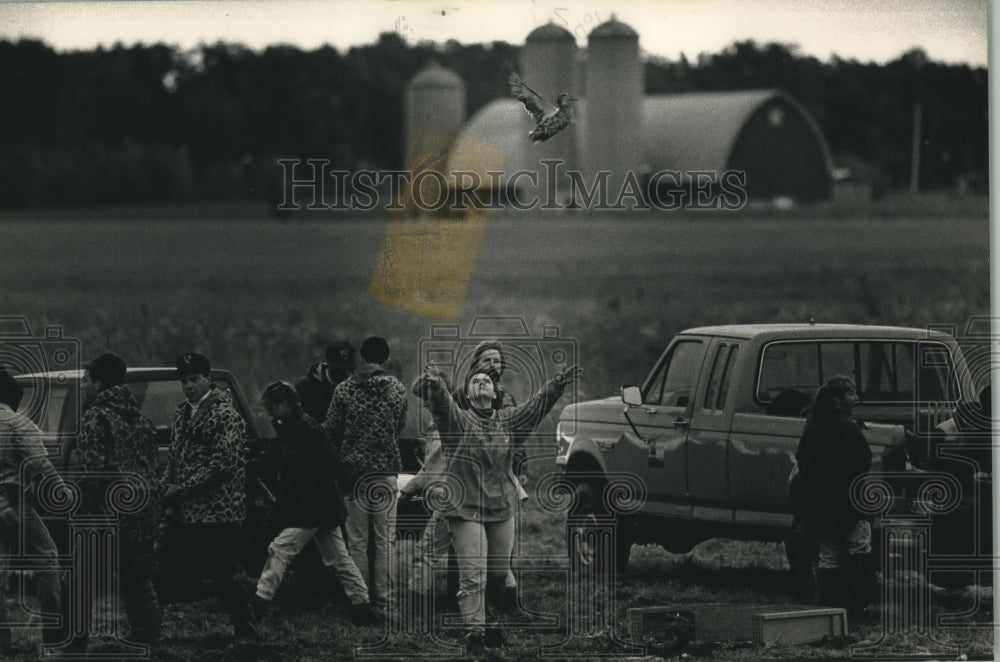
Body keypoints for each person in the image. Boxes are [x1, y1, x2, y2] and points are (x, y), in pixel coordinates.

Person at [413, 362, 581, 652]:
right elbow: (442, 407)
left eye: (486, 381)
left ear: (495, 393)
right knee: (473, 573)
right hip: (465, 507)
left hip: (501, 506)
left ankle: (492, 627)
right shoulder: (458, 421)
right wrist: (437, 384)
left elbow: (535, 408)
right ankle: (474, 634)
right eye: (475, 380)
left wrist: (556, 384)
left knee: (499, 574)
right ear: (467, 392)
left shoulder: (508, 421)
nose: (480, 382)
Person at [253, 381, 382, 625]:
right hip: (319, 505)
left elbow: (331, 464)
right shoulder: (295, 428)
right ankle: (362, 605)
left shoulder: (307, 430)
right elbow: (276, 456)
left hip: (310, 506)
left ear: (284, 404)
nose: (268, 411)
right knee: (339, 558)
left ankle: (259, 603)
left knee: (279, 549)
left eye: (271, 406)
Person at [156, 353, 258, 640]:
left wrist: (181, 489)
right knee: (163, 566)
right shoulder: (182, 414)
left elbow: (222, 464)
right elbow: (175, 459)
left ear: (208, 379)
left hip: (217, 512)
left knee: (224, 574)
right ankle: (147, 629)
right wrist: (166, 486)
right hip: (185, 510)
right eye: (184, 380)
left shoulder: (226, 415)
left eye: (195, 379)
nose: (189, 386)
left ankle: (246, 628)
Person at [68, 352, 162, 652]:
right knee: (137, 578)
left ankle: (74, 642)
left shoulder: (97, 418)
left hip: (104, 514)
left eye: (86, 381)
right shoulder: (143, 420)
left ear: (99, 384)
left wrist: (79, 504)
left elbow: (90, 471)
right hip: (142, 511)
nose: (83, 387)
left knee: (81, 580)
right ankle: (147, 634)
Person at [325, 336, 407, 613]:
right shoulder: (397, 389)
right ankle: (386, 600)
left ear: (361, 357)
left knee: (357, 542)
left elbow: (332, 430)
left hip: (354, 474)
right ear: (385, 359)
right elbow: (399, 427)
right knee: (384, 541)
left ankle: (359, 599)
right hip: (385, 472)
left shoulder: (345, 389)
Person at [791, 375, 875, 618]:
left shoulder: (814, 423)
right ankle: (858, 605)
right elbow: (863, 460)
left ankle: (829, 604)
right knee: (859, 545)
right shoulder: (847, 426)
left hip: (820, 501)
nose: (856, 398)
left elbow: (802, 457)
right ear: (838, 400)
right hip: (848, 499)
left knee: (829, 554)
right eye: (851, 393)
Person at [0, 369, 68, 652]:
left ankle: (3, 644)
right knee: (48, 559)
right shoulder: (18, 423)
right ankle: (54, 638)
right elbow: (42, 465)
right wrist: (64, 493)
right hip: (12, 503)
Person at [295, 341, 356, 423]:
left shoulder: (357, 387)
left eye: (347, 369)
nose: (342, 374)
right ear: (327, 364)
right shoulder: (305, 386)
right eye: (337, 370)